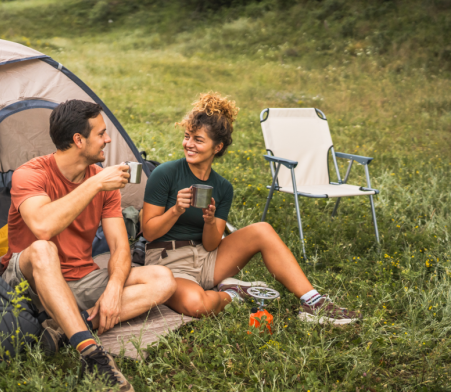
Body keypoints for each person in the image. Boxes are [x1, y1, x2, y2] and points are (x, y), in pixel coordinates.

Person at [0, 99, 177, 391]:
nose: (108, 139)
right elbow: (43, 226)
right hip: (29, 281)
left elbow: (121, 247)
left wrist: (114, 289)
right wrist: (95, 184)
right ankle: (92, 354)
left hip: (80, 277)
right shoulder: (31, 174)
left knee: (163, 279)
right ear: (78, 140)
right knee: (45, 249)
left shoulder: (103, 182)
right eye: (101, 133)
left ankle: (62, 326)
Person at [141, 92, 361, 325]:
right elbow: (149, 233)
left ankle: (314, 302)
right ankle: (234, 293)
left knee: (262, 230)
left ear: (218, 147)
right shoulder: (165, 173)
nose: (189, 144)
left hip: (207, 259)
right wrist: (175, 210)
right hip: (168, 263)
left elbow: (211, 245)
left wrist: (210, 221)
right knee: (197, 305)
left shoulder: (223, 187)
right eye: (187, 137)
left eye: (198, 139)